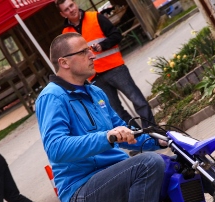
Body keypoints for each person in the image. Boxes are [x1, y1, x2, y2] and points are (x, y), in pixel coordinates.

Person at [35, 32, 176, 202]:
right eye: (83, 51)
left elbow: (128, 134)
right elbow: (56, 148)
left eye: (90, 49)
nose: (92, 55)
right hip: (83, 192)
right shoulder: (52, 97)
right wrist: (106, 137)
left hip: (113, 178)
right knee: (149, 164)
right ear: (64, 62)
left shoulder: (96, 93)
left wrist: (164, 139)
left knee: (177, 165)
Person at [55, 0, 156, 128]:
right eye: (66, 9)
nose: (71, 10)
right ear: (62, 14)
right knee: (116, 112)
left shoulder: (96, 17)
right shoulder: (66, 35)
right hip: (94, 78)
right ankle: (138, 138)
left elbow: (116, 35)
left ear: (75, 4)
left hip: (115, 68)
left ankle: (153, 130)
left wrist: (102, 46)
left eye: (71, 5)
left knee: (138, 101)